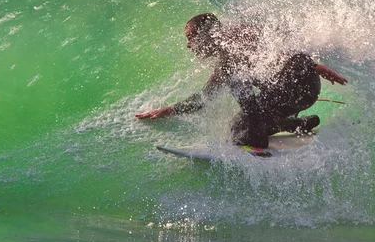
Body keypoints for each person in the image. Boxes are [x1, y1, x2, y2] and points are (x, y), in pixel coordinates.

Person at [136, 13, 347, 148]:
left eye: (191, 38)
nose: (189, 45)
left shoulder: (240, 39)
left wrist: (314, 66)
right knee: (237, 128)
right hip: (282, 97)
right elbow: (205, 98)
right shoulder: (226, 61)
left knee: (242, 122)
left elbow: (284, 49)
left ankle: (259, 142)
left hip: (300, 87)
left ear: (208, 34)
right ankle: (298, 124)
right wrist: (168, 111)